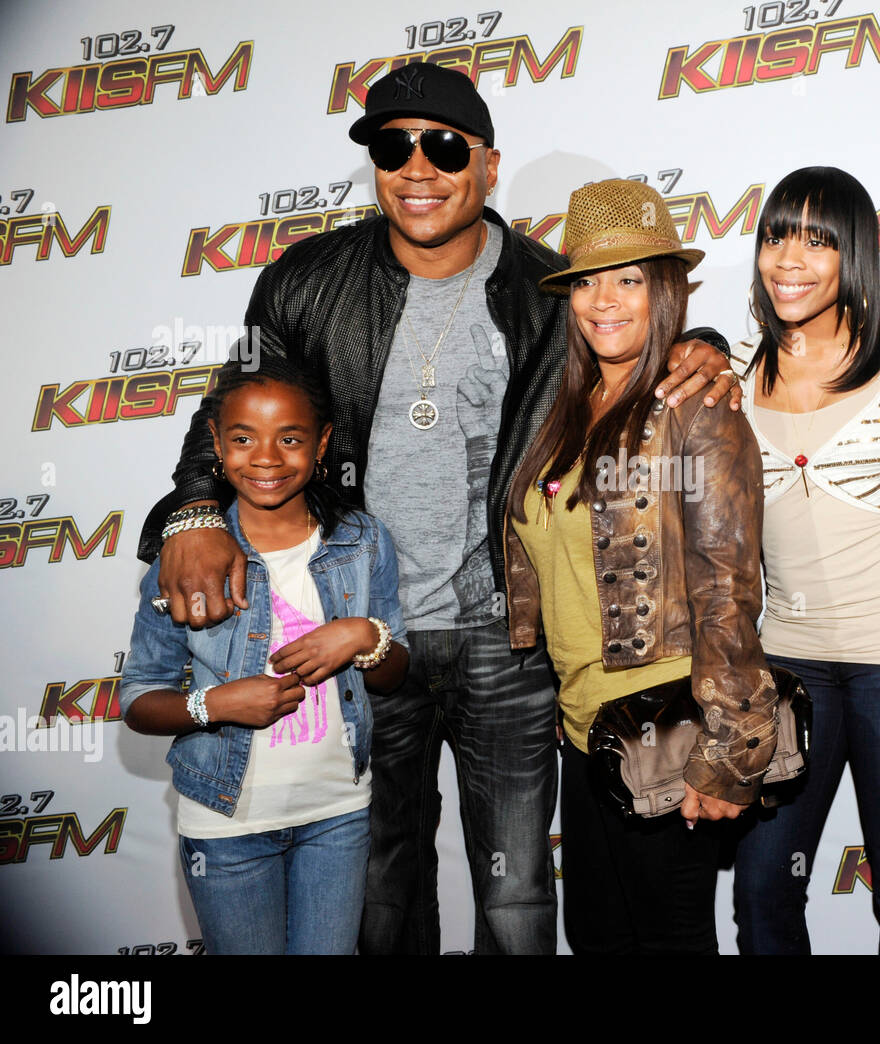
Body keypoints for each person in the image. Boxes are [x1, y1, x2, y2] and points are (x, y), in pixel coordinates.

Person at [135, 63, 740, 955]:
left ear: (488, 166)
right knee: (379, 890)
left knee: (517, 893)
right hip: (362, 633)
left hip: (506, 638)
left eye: (444, 147)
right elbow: (235, 401)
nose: (417, 167)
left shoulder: (549, 289)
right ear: (375, 165)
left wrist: (704, 343)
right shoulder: (306, 281)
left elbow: (633, 339)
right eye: (392, 146)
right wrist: (190, 513)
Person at [503, 179, 775, 955]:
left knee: (667, 942)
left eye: (629, 279)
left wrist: (729, 750)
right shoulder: (567, 405)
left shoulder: (697, 405)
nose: (604, 300)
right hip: (588, 730)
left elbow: (729, 585)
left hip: (672, 732)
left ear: (666, 289)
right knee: (599, 938)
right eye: (587, 281)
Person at [119, 357, 409, 954]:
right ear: (216, 444)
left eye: (291, 438)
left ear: (322, 443)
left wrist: (362, 635)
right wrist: (216, 704)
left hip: (338, 814)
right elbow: (138, 701)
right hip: (226, 826)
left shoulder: (362, 540)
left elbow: (393, 675)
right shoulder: (186, 561)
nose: (268, 458)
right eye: (244, 438)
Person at [728, 167, 880, 954]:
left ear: (855, 254)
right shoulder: (726, 382)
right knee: (762, 893)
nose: (790, 258)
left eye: (818, 240)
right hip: (785, 670)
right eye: (777, 235)